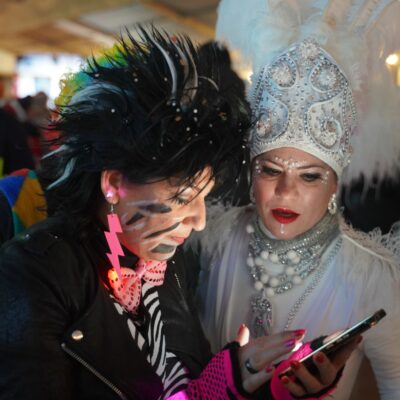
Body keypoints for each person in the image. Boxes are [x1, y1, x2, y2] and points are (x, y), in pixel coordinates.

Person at [0, 28, 356, 400]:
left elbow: (189, 381)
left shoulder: (165, 261)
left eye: (205, 196)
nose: (199, 220)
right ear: (114, 184)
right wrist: (221, 388)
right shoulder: (34, 274)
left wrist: (269, 388)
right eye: (183, 197)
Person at [192, 1, 400, 399]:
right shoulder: (209, 240)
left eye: (310, 176)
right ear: (250, 170)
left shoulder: (372, 278)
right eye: (271, 171)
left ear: (335, 184)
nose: (286, 192)